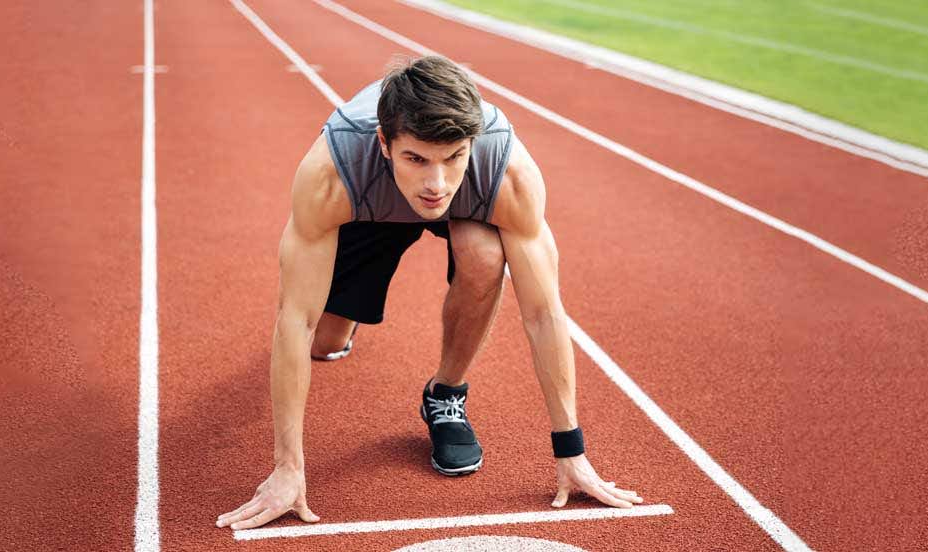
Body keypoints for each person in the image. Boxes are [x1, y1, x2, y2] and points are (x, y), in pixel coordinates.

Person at [216, 55, 642, 531]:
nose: (436, 184)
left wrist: (572, 453)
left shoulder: (508, 174)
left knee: (484, 256)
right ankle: (351, 316)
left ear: (472, 146)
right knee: (325, 342)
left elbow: (544, 313)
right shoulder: (332, 173)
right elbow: (296, 319)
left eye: (453, 157)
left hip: (469, 207)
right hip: (370, 206)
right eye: (416, 158)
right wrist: (287, 470)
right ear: (384, 143)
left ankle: (445, 394)